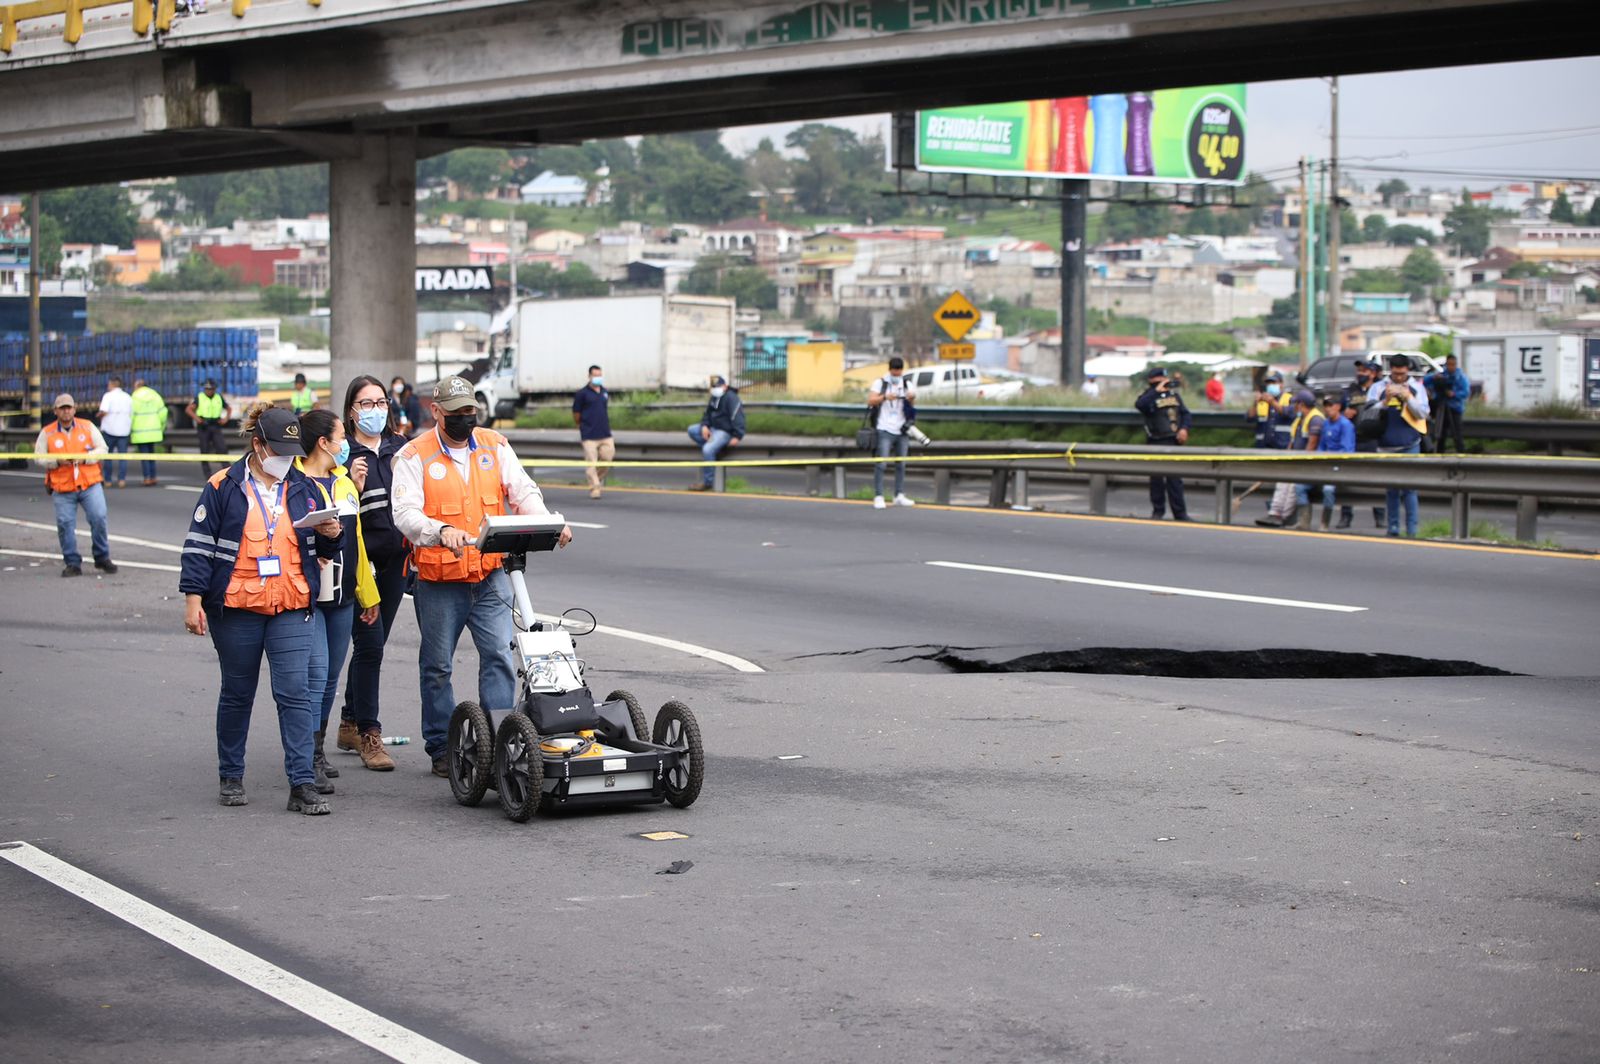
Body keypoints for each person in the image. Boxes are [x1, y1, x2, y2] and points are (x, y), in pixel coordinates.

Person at [391, 376, 573, 777]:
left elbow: (522, 490)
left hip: (491, 576)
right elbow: (405, 514)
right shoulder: (412, 456)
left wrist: (546, 521)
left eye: (470, 411)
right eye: (455, 413)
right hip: (440, 582)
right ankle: (442, 747)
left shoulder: (495, 445)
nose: (464, 419)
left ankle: (499, 741)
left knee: (500, 658)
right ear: (436, 412)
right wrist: (440, 531)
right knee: (437, 666)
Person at [179, 404, 344, 814]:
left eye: (293, 453)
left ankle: (302, 784)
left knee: (296, 695)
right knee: (237, 693)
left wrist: (332, 534)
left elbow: (324, 550)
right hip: (236, 609)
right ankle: (231, 775)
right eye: (281, 452)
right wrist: (193, 600)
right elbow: (198, 547)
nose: (288, 461)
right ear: (258, 445)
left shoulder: (308, 488)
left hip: (291, 605)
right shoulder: (222, 487)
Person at [296, 409, 381, 794]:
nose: (346, 443)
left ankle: (316, 748)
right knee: (313, 676)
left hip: (344, 596)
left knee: (330, 677)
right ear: (323, 443)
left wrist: (368, 594)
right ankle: (306, 757)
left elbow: (357, 541)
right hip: (310, 597)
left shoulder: (346, 482)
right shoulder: (293, 482)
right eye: (340, 436)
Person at [334, 376, 407, 770]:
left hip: (395, 562)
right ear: (351, 410)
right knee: (371, 647)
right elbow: (336, 510)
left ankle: (348, 720)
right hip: (359, 564)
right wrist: (355, 485)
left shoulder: (401, 449)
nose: (375, 410)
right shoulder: (341, 452)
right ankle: (369, 734)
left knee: (371, 647)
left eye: (380, 402)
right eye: (366, 403)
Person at [34, 394, 117, 578]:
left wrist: (85, 458)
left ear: (74, 409)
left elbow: (102, 449)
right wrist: (56, 461)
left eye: (68, 407)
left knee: (99, 518)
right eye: (62, 408)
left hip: (89, 483)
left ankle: (102, 557)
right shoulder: (47, 433)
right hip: (62, 487)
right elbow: (38, 457)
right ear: (55, 411)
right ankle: (72, 562)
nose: (66, 411)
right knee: (65, 524)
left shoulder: (87, 426)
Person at [1367, 353, 1430, 538]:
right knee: (1391, 490)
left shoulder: (1417, 388)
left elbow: (1422, 414)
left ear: (1407, 371)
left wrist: (1408, 397)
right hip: (1385, 445)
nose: (1399, 378)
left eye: (1402, 374)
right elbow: (1368, 414)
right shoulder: (1378, 387)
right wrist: (1385, 401)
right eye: (1395, 374)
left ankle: (1412, 530)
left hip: (1410, 444)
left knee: (1410, 490)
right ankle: (1392, 529)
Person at [1258, 390, 1325, 529]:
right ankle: (1274, 513)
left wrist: (1301, 463)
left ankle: (1283, 516)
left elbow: (1312, 444)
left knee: (1293, 487)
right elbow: (1293, 441)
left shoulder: (1315, 419)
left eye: (1295, 404)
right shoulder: (1300, 419)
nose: (1294, 407)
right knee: (1282, 482)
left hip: (1308, 464)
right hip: (1295, 460)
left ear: (1301, 405)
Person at [1134, 366, 1191, 521]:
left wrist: (1184, 429)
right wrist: (1155, 391)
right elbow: (1140, 405)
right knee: (1157, 479)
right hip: (1156, 440)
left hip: (1173, 440)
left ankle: (1180, 513)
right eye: (1160, 379)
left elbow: (1185, 414)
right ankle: (1158, 511)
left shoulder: (1174, 396)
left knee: (1175, 480)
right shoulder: (1149, 396)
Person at [1338, 358, 1384, 530]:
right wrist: (1344, 413)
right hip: (1353, 440)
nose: (1360, 374)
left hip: (1373, 441)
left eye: (1364, 371)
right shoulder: (1350, 390)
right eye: (1358, 371)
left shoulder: (1379, 389)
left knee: (1375, 480)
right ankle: (1345, 517)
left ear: (1372, 373)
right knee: (1347, 480)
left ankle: (1380, 517)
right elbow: (1337, 411)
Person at [867, 356, 918, 510]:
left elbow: (912, 404)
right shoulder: (880, 383)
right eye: (894, 373)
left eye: (899, 372)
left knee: (901, 464)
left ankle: (899, 495)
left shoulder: (906, 384)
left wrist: (911, 398)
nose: (897, 376)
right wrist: (885, 397)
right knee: (881, 463)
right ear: (889, 370)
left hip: (902, 429)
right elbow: (871, 401)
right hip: (884, 428)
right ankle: (879, 495)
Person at [686, 374, 744, 491]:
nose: (715, 389)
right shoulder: (714, 397)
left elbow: (737, 417)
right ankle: (714, 452)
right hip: (713, 429)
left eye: (717, 386)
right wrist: (704, 426)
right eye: (713, 387)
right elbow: (707, 414)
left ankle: (708, 482)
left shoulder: (731, 398)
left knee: (707, 449)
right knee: (692, 430)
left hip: (724, 431)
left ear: (725, 386)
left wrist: (737, 436)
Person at [572, 364, 614, 499]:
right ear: (589, 376)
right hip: (589, 434)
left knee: (607, 458)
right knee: (592, 462)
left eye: (599, 375)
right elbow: (576, 414)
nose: (597, 378)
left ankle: (596, 479)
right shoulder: (582, 394)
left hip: (605, 433)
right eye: (595, 375)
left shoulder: (604, 392)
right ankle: (595, 488)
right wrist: (582, 425)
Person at [1316, 395, 1355, 530]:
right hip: (1324, 465)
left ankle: (1324, 521)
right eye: (1326, 405)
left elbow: (1346, 450)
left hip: (1338, 466)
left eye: (1330, 405)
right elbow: (1321, 446)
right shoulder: (1326, 423)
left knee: (1328, 489)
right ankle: (1303, 522)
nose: (1327, 408)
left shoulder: (1345, 425)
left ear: (1338, 406)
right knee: (1300, 487)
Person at [1426, 354, 1470, 454]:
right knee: (1440, 434)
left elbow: (1466, 392)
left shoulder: (1460, 377)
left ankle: (1461, 454)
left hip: (1455, 408)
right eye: (1449, 364)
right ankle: (1439, 453)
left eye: (1453, 364)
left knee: (1457, 434)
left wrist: (1453, 394)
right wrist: (1434, 377)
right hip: (1441, 407)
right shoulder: (1441, 375)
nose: (1451, 367)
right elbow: (1425, 381)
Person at [186, 379, 230, 478]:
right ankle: (207, 474)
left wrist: (225, 419)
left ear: (214, 389)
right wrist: (197, 419)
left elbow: (228, 408)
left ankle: (227, 472)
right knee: (204, 450)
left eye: (211, 389)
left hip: (215, 425)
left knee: (222, 448)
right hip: (203, 426)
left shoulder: (218, 397)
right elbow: (189, 409)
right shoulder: (200, 397)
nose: (209, 391)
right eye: (207, 389)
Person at [129, 376, 167, 486]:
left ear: (137, 386)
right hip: (154, 431)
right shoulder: (155, 395)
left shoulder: (134, 397)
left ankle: (146, 477)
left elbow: (131, 415)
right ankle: (153, 477)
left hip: (140, 432)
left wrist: (130, 429)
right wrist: (161, 427)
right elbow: (163, 413)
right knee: (151, 455)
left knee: (144, 456)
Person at [97, 375, 133, 488]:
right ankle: (122, 480)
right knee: (123, 457)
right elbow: (131, 413)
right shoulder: (128, 397)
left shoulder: (108, 396)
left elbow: (104, 411)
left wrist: (98, 416)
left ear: (112, 384)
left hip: (110, 429)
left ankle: (108, 480)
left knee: (108, 456)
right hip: (124, 430)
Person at [1247, 370, 1291, 449]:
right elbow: (1249, 418)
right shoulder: (1261, 400)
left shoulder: (1288, 398)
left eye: (1274, 383)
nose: (1271, 385)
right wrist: (1255, 403)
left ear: (1281, 384)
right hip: (1262, 446)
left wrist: (1271, 401)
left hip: (1282, 446)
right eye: (1269, 383)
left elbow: (1287, 413)